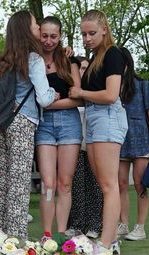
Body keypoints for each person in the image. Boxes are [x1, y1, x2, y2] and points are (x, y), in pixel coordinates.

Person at [0, 10, 58, 238]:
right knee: (19, 183)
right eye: (35, 25)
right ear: (26, 30)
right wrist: (54, 94)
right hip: (23, 122)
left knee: (2, 182)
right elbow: (43, 98)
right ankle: (16, 241)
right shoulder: (34, 59)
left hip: (2, 122)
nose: (39, 28)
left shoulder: (4, 61)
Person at [68, 10, 127, 250]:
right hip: (93, 117)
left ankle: (106, 242)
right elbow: (78, 90)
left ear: (104, 29)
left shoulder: (113, 54)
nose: (87, 38)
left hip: (107, 117)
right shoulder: (95, 58)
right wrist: (72, 62)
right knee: (104, 184)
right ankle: (110, 239)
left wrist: (82, 93)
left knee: (108, 185)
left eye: (92, 33)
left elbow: (111, 95)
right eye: (83, 34)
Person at [34, 16, 82, 240]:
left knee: (64, 182)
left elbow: (78, 98)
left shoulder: (68, 60)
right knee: (48, 182)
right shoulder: (32, 60)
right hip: (43, 125)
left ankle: (61, 235)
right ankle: (47, 235)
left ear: (60, 36)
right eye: (45, 35)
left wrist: (49, 103)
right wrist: (49, 102)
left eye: (53, 36)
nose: (49, 41)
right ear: (39, 34)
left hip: (69, 124)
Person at [117, 47, 149, 242]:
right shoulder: (111, 86)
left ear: (126, 64)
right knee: (120, 184)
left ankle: (140, 227)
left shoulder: (143, 85)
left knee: (139, 184)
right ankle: (123, 223)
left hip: (141, 139)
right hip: (119, 139)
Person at [67, 56, 102, 238]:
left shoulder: (94, 94)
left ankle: (95, 225)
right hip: (75, 145)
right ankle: (76, 224)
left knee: (95, 186)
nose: (82, 71)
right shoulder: (71, 92)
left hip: (95, 145)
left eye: (85, 69)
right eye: (80, 68)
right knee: (77, 187)